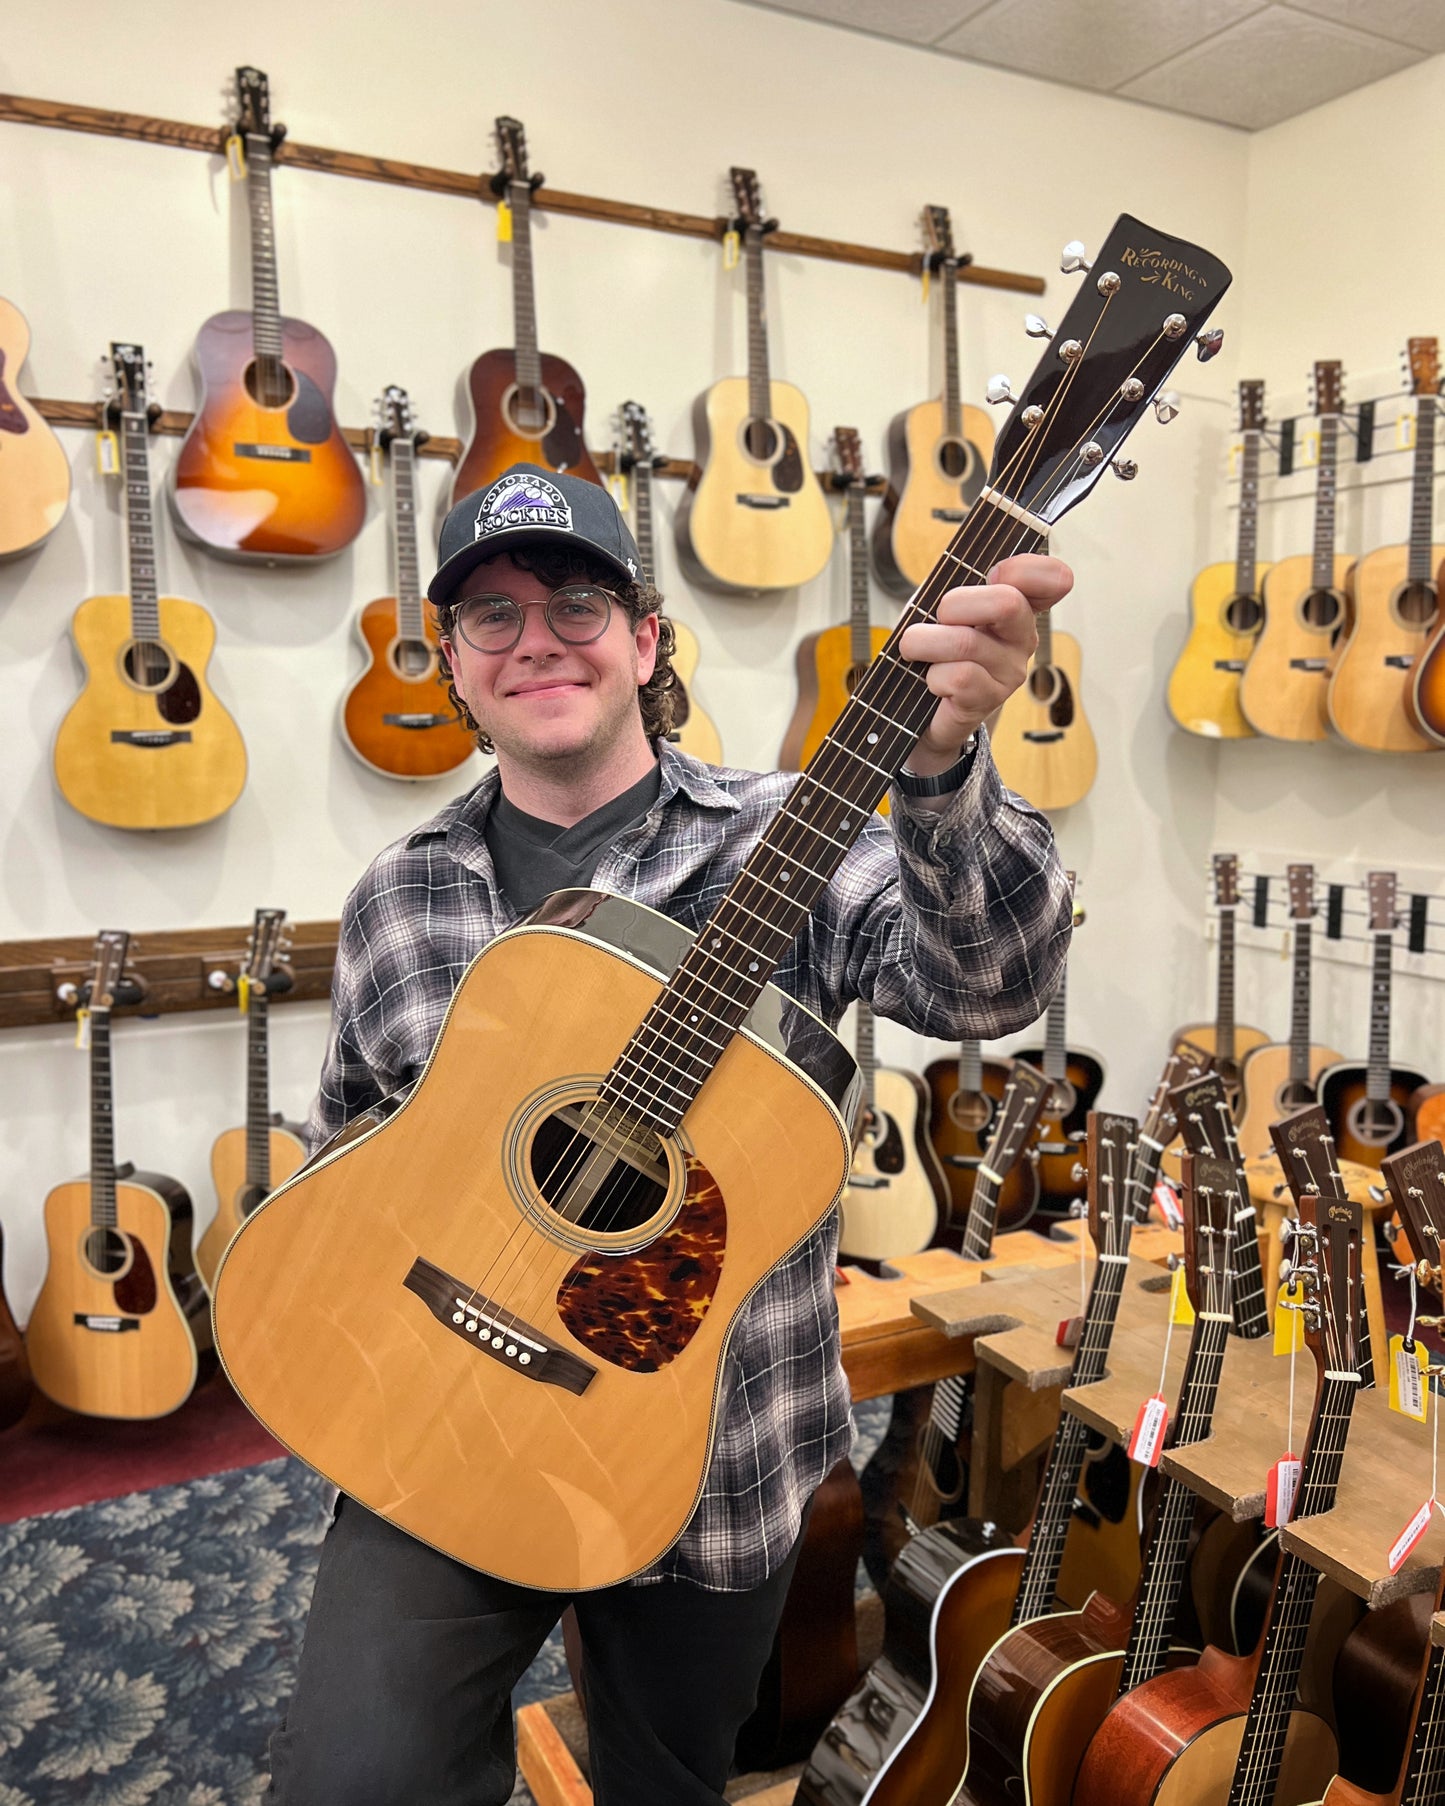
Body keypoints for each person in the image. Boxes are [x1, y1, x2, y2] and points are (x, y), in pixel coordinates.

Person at [265, 462, 1075, 1806]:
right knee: (353, 1780)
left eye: (576, 601)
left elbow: (987, 983)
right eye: (491, 616)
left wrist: (938, 767)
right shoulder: (398, 897)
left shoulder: (789, 838)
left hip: (712, 1459)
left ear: (644, 642)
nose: (535, 639)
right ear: (453, 665)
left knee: (670, 1780)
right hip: (439, 1414)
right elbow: (346, 1156)